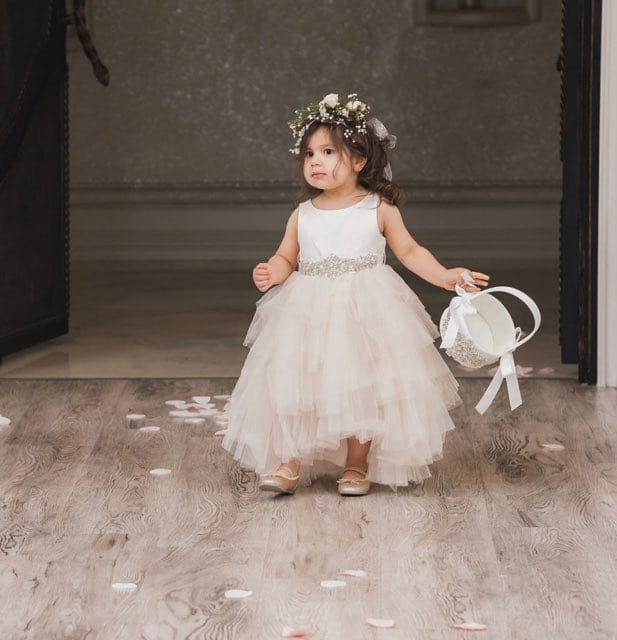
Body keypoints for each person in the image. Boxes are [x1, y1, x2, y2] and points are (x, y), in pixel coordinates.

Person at [221, 92, 490, 496]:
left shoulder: (378, 208)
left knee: (363, 386)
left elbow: (410, 252)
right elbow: (286, 256)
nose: (315, 161)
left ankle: (356, 464)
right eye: (309, 154)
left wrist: (445, 276)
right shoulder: (303, 214)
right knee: (297, 383)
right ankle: (289, 461)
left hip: (365, 312)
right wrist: (272, 271)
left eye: (328, 152)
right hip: (307, 312)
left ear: (360, 160)